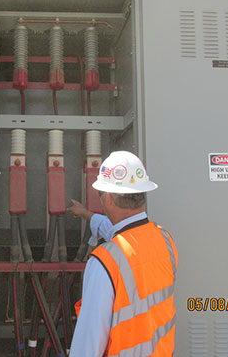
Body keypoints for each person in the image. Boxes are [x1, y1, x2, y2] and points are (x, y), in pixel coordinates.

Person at [67, 151, 178, 356]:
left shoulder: (104, 262)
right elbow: (124, 233)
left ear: (108, 199)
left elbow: (88, 345)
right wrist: (86, 214)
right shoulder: (165, 240)